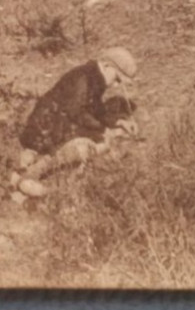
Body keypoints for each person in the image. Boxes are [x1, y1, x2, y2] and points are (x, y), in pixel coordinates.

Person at [9, 47, 141, 198]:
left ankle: (30, 176)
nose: (116, 85)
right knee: (86, 146)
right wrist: (103, 130)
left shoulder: (95, 77)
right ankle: (33, 174)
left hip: (58, 121)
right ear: (106, 65)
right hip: (45, 127)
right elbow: (77, 112)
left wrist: (119, 122)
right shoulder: (83, 78)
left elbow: (95, 108)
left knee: (99, 141)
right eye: (117, 79)